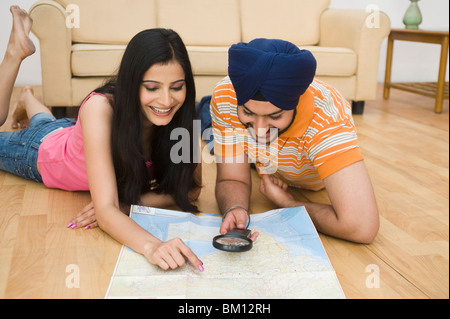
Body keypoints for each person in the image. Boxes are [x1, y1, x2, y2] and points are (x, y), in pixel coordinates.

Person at [0, 6, 203, 271]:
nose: (167, 100)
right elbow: (106, 212)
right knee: (43, 129)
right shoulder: (100, 109)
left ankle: (28, 98)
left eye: (176, 87)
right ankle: (14, 55)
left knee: (50, 124)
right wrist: (152, 246)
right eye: (152, 88)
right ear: (132, 83)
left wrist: (125, 204)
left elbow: (192, 188)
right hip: (40, 152)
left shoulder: (183, 114)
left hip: (70, 133)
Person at [211, 38, 379, 244]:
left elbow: (361, 226)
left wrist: (287, 203)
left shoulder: (326, 115)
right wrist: (235, 209)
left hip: (307, 181)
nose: (260, 130)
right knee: (203, 121)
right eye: (247, 113)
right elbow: (232, 178)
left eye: (274, 116)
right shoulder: (224, 96)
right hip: (268, 166)